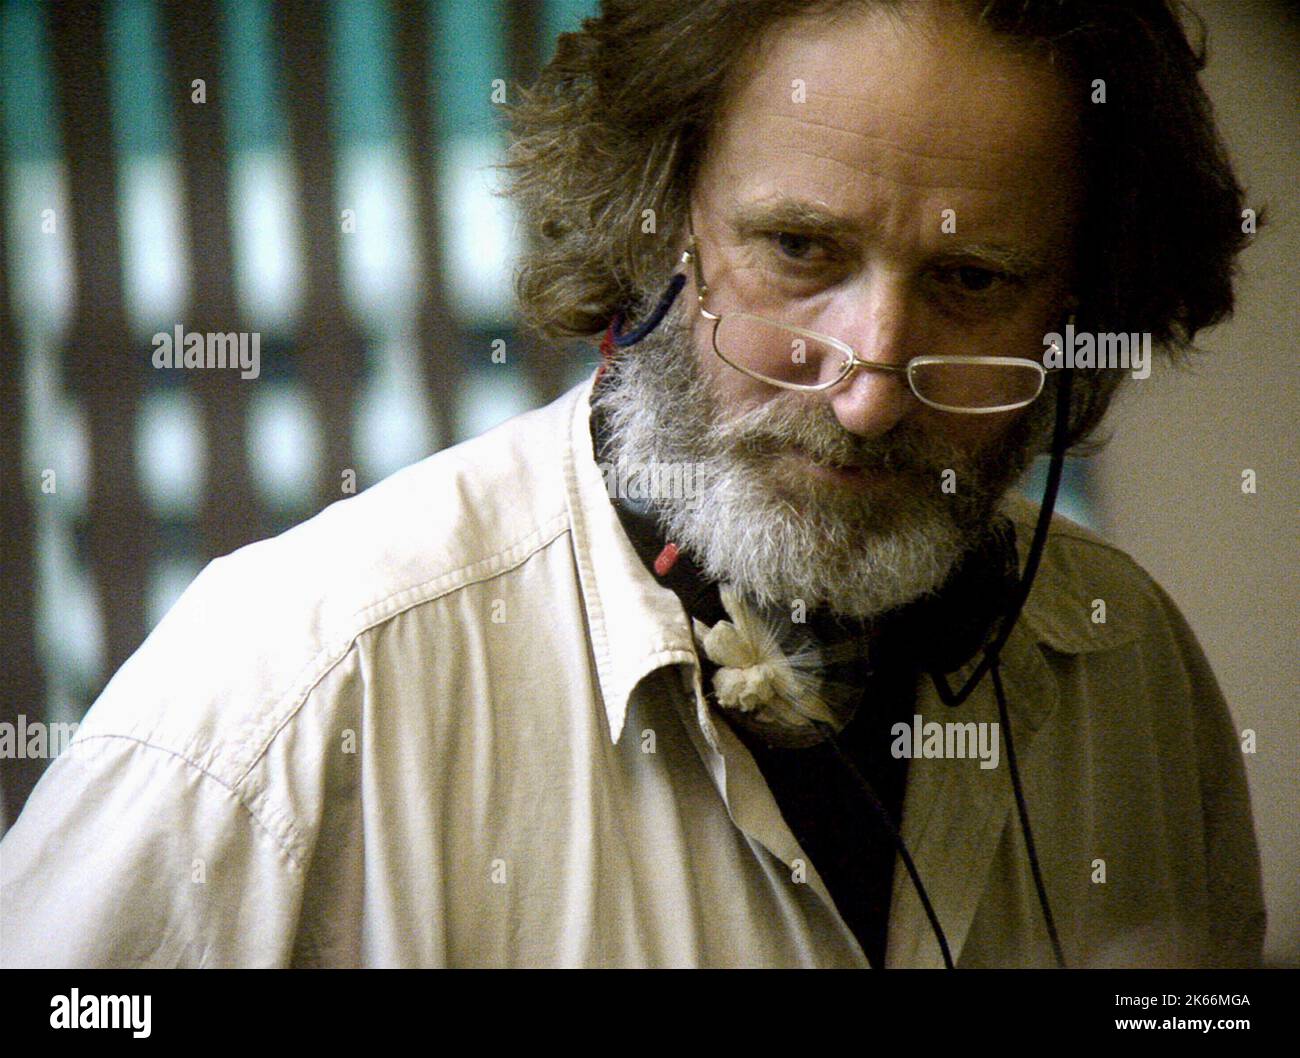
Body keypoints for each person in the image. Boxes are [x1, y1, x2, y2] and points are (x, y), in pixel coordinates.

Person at [0, 0, 1266, 968]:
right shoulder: (295, 688)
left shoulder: (1129, 668)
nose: (869, 388)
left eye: (973, 279)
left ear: (1077, 305)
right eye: (798, 248)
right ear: (654, 222)